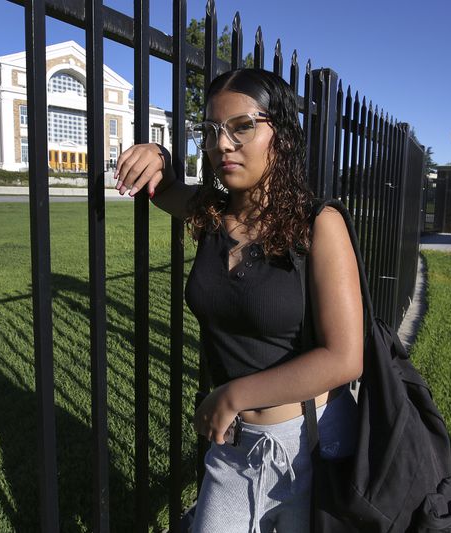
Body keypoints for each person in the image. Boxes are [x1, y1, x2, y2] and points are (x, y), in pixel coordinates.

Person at [114, 68, 363, 533]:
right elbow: (162, 187)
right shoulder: (208, 214)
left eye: (242, 126)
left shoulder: (319, 224)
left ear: (282, 136)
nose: (221, 144)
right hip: (232, 447)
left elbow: (345, 357)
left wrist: (232, 394)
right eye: (210, 130)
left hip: (310, 445)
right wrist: (158, 152)